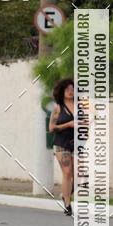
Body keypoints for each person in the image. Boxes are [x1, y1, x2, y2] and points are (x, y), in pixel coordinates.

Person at [49, 77, 75, 216]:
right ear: (62, 91)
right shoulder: (58, 108)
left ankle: (65, 194)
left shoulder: (81, 107)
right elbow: (52, 128)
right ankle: (67, 205)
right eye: (67, 89)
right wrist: (69, 125)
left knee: (78, 175)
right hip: (61, 144)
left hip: (77, 144)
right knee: (67, 172)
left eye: (73, 89)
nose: (70, 92)